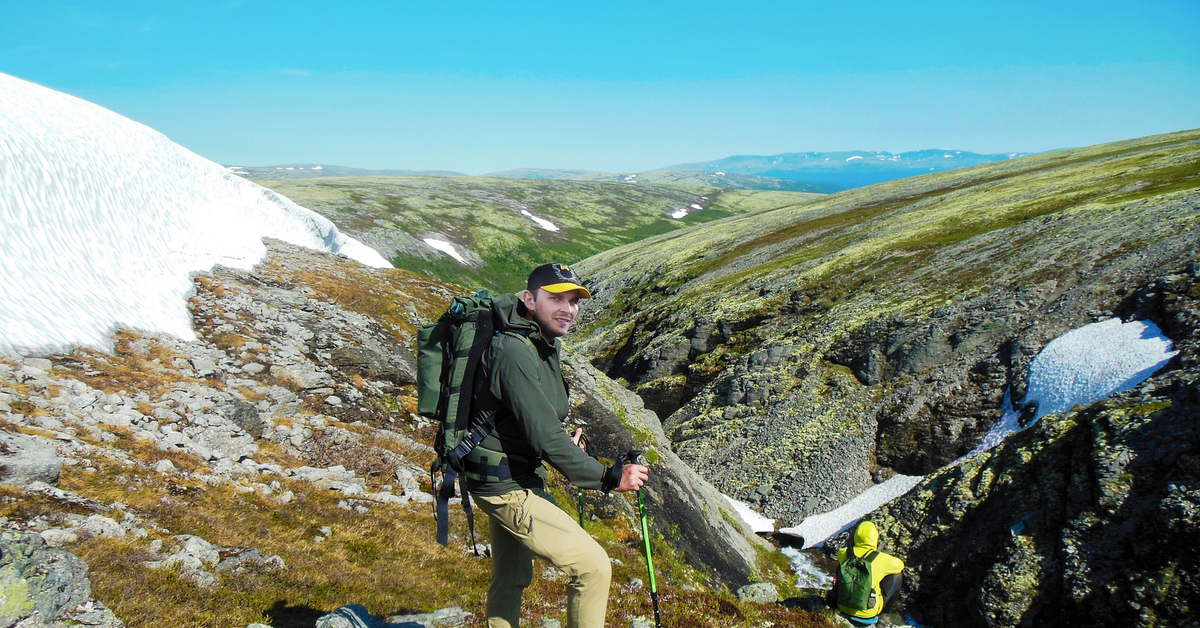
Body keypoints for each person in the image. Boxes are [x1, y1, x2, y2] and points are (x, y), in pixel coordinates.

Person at [461, 262, 650, 628]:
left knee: (512, 576)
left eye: (574, 301)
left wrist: (565, 443)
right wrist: (609, 477)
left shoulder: (539, 342)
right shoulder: (514, 351)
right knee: (594, 568)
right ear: (530, 300)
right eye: (556, 298)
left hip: (509, 475)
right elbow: (545, 436)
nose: (568, 308)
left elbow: (531, 420)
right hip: (506, 487)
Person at [829, 520, 905, 626]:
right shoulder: (883, 559)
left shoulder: (844, 552)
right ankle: (885, 616)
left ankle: (834, 596)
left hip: (842, 606)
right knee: (897, 575)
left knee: (843, 565)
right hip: (868, 612)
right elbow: (900, 565)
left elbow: (841, 558)